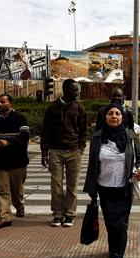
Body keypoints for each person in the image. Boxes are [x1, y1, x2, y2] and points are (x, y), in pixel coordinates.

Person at [83, 102, 140, 258]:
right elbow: (92, 165)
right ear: (105, 117)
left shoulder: (131, 137)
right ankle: (115, 249)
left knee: (121, 225)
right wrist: (92, 190)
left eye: (118, 113)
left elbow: (139, 158)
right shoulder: (97, 138)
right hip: (104, 188)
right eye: (110, 113)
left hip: (124, 188)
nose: (114, 116)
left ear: (123, 117)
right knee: (111, 224)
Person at [41, 79, 88, 227]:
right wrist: (44, 153)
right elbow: (45, 131)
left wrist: (81, 148)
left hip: (74, 151)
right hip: (55, 151)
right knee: (56, 186)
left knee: (72, 186)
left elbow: (84, 130)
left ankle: (69, 214)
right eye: (74, 90)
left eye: (77, 90)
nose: (77, 93)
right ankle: (57, 214)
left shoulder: (80, 108)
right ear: (65, 89)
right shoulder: (52, 108)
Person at [0, 93, 30, 229]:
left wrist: (8, 142)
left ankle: (19, 206)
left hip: (17, 162)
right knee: (2, 190)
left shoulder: (20, 118)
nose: (0, 104)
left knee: (16, 190)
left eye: (3, 102)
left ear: (10, 103)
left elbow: (24, 136)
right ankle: (5, 217)